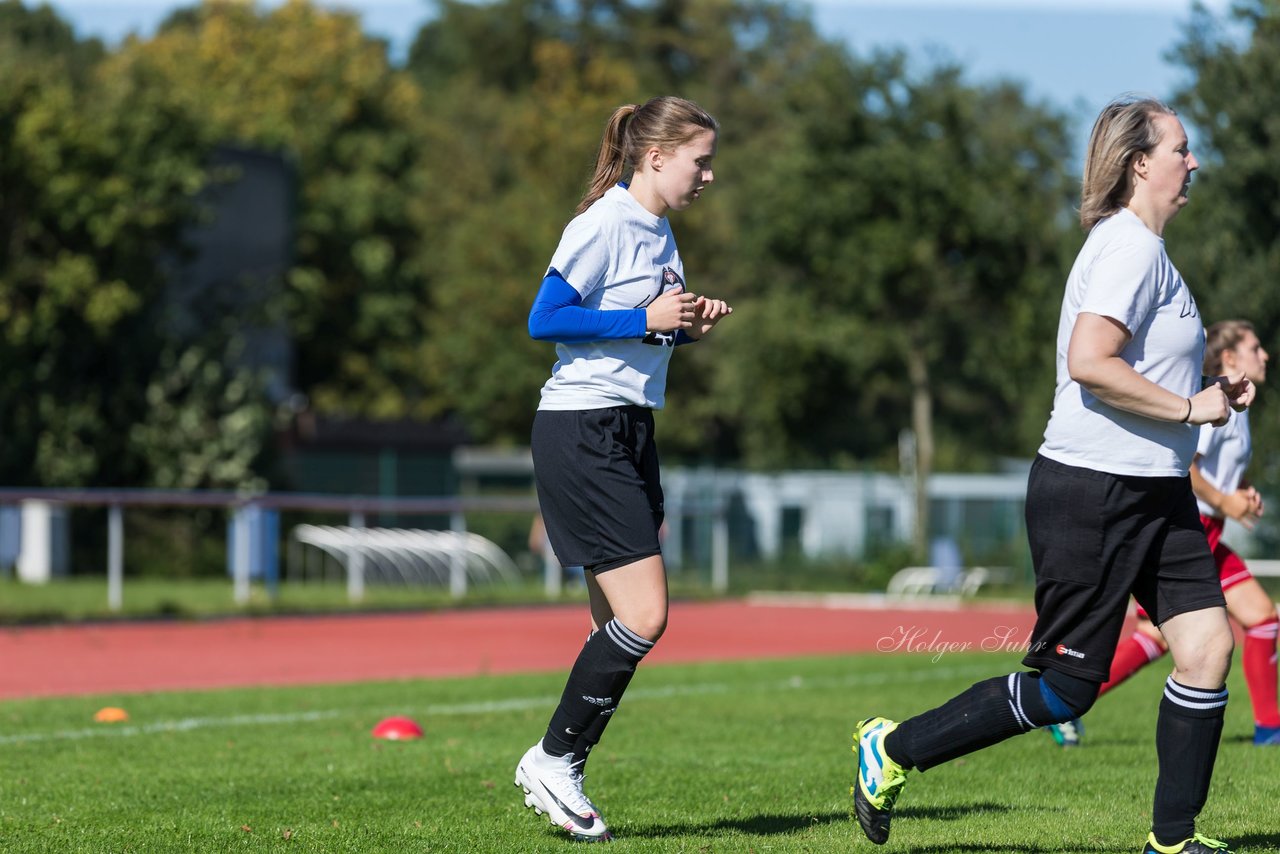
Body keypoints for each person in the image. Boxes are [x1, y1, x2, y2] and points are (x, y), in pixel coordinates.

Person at [852, 95, 1255, 854]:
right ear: (1141, 163)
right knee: (1067, 689)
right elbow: (1090, 364)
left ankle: (1173, 840)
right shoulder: (1129, 246)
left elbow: (1141, 370)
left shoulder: (1147, 250)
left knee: (1207, 646)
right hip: (1092, 491)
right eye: (1182, 148)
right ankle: (893, 749)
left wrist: (1214, 396)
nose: (1192, 161)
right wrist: (1190, 408)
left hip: (1154, 491)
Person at [512, 96, 732, 842]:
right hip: (583, 430)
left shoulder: (662, 234)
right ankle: (552, 760)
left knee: (614, 624)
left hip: (628, 426)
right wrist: (645, 320)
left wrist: (684, 330)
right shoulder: (603, 223)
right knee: (645, 616)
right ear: (656, 156)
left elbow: (641, 335)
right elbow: (546, 317)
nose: (709, 174)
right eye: (700, 159)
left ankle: (563, 763)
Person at [1047, 320, 1278, 749]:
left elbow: (1216, 477)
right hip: (1191, 529)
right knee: (1158, 638)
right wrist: (1224, 501)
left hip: (1210, 530)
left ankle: (1269, 729)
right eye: (1256, 348)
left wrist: (1238, 495)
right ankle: (1060, 703)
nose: (1265, 356)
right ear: (1230, 359)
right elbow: (1189, 470)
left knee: (1263, 620)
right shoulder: (1215, 404)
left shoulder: (1239, 409)